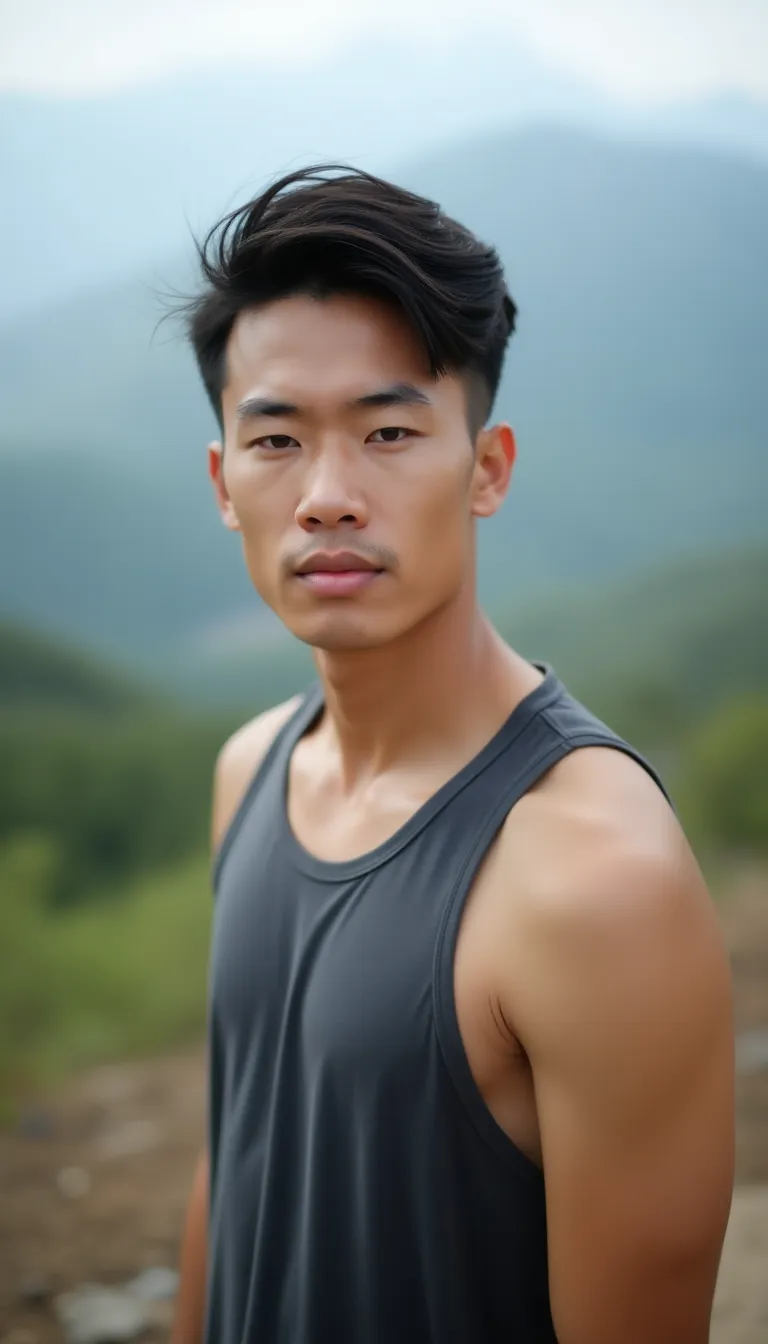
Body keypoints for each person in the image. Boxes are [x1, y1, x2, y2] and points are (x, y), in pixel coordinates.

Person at [170, 166, 734, 1344]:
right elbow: (233, 1173)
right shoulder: (252, 770)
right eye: (276, 439)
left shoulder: (591, 877)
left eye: (387, 433)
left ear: (486, 468)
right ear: (226, 485)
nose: (327, 495)